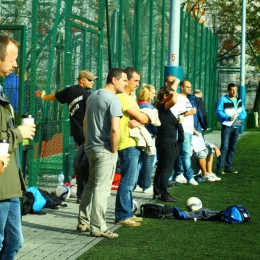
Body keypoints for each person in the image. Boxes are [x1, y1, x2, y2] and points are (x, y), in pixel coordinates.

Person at [77, 68, 127, 239]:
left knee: (91, 185)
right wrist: (114, 151)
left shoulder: (93, 95)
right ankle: (98, 226)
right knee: (101, 188)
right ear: (114, 80)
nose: (126, 84)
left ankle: (83, 221)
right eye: (124, 80)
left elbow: (84, 122)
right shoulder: (113, 100)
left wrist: (89, 141)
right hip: (104, 150)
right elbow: (115, 129)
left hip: (91, 148)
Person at [0, 34, 36, 260]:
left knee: (15, 241)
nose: (16, 64)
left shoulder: (2, 90)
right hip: (2, 184)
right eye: (12, 59)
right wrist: (18, 133)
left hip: (10, 183)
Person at [41, 70, 97, 201]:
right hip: (87, 133)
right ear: (81, 80)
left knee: (84, 162)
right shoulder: (88, 95)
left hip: (77, 133)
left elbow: (55, 96)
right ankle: (83, 194)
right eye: (90, 80)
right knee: (87, 164)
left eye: (93, 80)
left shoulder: (70, 90)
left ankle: (82, 193)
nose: (92, 82)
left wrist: (44, 98)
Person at [115, 67, 150, 227]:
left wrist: (142, 119)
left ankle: (127, 212)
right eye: (135, 80)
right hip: (126, 143)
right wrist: (142, 118)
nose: (137, 83)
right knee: (128, 181)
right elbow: (142, 116)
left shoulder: (129, 97)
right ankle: (122, 215)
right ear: (127, 80)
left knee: (131, 181)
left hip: (133, 143)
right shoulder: (122, 97)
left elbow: (143, 118)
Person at [153, 83, 181, 202]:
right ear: (165, 96)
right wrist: (174, 89)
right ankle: (164, 194)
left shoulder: (162, 107)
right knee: (166, 169)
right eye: (170, 95)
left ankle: (158, 191)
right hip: (166, 141)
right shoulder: (162, 106)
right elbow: (174, 100)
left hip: (164, 140)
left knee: (161, 167)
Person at [170, 80, 198, 185]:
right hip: (183, 130)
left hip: (189, 130)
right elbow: (177, 115)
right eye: (187, 87)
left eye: (190, 87)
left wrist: (193, 129)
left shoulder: (187, 99)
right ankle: (189, 176)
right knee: (186, 153)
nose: (189, 88)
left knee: (183, 153)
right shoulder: (178, 99)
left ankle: (179, 174)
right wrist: (189, 112)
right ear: (181, 87)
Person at [216, 83, 247, 174]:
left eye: (235, 90)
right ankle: (220, 167)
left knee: (232, 147)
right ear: (228, 90)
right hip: (227, 126)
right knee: (224, 147)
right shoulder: (223, 100)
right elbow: (218, 111)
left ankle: (228, 166)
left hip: (236, 126)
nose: (234, 91)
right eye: (232, 90)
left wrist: (240, 117)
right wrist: (228, 117)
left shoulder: (239, 100)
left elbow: (244, 113)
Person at [136, 84, 157, 193]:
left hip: (136, 136)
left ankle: (137, 184)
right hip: (148, 137)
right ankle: (147, 185)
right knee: (149, 161)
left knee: (137, 162)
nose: (154, 95)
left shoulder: (135, 105)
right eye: (153, 93)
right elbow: (154, 124)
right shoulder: (151, 108)